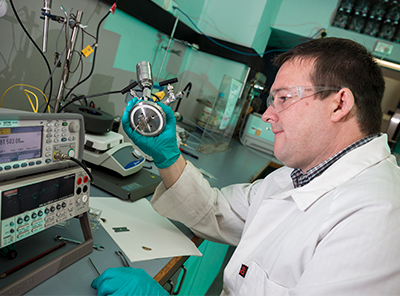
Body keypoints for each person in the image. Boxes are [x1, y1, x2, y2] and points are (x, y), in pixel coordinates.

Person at [91, 37, 400, 295]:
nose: (267, 115)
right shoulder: (296, 176)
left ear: (339, 104)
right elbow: (215, 211)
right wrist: (168, 157)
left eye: (282, 98)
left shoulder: (377, 217)